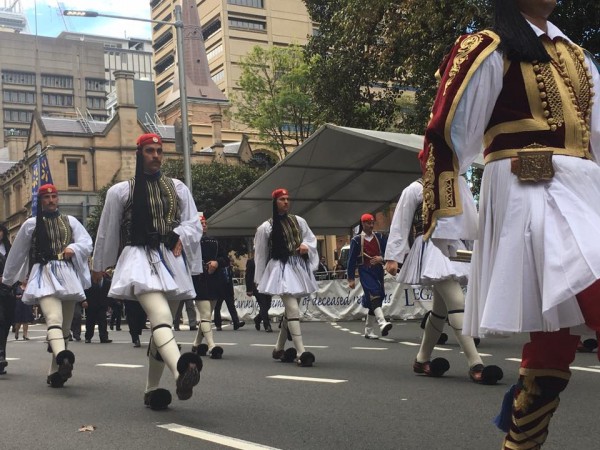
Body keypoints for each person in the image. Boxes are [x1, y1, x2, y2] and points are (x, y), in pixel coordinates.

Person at [419, 1, 600, 447]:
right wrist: (446, 221)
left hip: (584, 191)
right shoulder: (486, 48)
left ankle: (519, 443)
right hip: (530, 191)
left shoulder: (578, 56)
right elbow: (448, 137)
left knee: (556, 337)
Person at [92, 133, 203, 410]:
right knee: (162, 318)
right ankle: (181, 373)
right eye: (150, 151)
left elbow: (194, 223)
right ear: (139, 153)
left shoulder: (177, 188)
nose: (156, 155)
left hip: (170, 261)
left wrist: (180, 235)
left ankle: (152, 389)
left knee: (161, 330)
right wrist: (98, 267)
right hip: (139, 258)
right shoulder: (120, 191)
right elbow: (107, 231)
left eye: (159, 151)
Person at [385, 163, 502, 384]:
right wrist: (393, 256)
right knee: (457, 301)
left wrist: (475, 248)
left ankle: (422, 358)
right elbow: (400, 223)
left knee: (440, 310)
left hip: (453, 246)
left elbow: (469, 219)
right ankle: (476, 363)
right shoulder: (414, 190)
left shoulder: (458, 185)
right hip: (431, 247)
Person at [2, 184, 93, 387]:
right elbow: (17, 253)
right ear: (40, 201)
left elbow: (87, 243)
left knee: (66, 328)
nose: (51, 200)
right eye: (47, 197)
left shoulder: (71, 222)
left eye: (54, 196)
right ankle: (63, 357)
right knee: (54, 319)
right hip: (43, 274)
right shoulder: (31, 224)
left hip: (67, 274)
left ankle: (56, 372)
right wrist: (7, 280)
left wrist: (73, 247)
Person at [253, 188, 318, 367]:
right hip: (281, 270)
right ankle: (301, 352)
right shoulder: (266, 227)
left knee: (291, 310)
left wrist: (305, 245)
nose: (286, 202)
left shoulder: (299, 221)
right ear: (275, 202)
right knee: (293, 309)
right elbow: (260, 254)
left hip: (297, 267)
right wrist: (259, 279)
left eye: (287, 199)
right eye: (282, 199)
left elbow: (310, 238)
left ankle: (279, 348)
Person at [347, 213, 391, 340]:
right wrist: (351, 278)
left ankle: (368, 330)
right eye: (368, 223)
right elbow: (351, 260)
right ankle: (382, 323)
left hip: (378, 271)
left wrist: (381, 258)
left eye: (372, 223)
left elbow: (387, 251)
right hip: (364, 270)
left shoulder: (379, 236)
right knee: (374, 294)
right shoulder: (356, 240)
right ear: (363, 224)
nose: (371, 225)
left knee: (377, 297)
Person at [191, 215, 228, 358]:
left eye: (205, 223)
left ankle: (196, 344)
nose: (204, 225)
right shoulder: (190, 241)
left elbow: (225, 258)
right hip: (198, 279)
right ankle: (212, 346)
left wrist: (216, 262)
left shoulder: (215, 241)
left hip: (214, 281)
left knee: (206, 315)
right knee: (206, 314)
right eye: (201, 223)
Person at [0, 233, 16, 375]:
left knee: (5, 325)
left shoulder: (9, 249)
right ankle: (0, 356)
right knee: (1, 320)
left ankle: (1, 357)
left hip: (8, 292)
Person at [83, 269, 112, 344]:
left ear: (102, 273)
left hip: (102, 305)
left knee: (103, 322)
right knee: (90, 322)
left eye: (97, 273)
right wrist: (83, 301)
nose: (95, 275)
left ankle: (104, 337)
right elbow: (84, 293)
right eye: (93, 273)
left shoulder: (107, 282)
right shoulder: (88, 282)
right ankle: (88, 337)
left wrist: (109, 304)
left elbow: (109, 294)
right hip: (91, 305)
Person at [213, 263, 245, 331]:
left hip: (228, 289)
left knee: (231, 306)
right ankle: (218, 324)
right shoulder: (218, 268)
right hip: (219, 289)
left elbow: (230, 279)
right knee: (218, 307)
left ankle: (236, 322)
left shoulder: (228, 269)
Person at [245, 256, 272, 332]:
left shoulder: (267, 260)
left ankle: (257, 319)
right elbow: (248, 276)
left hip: (267, 286)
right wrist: (249, 289)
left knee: (268, 305)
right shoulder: (251, 262)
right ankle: (267, 325)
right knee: (263, 305)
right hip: (257, 286)